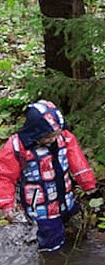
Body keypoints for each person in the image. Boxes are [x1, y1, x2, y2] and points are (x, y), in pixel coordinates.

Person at [0, 100, 96, 252]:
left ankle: (70, 244)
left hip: (65, 195)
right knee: (50, 240)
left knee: (71, 221)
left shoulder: (64, 137)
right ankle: (52, 263)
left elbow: (78, 160)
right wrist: (6, 203)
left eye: (56, 134)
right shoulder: (17, 147)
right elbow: (4, 176)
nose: (53, 139)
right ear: (34, 131)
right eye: (47, 137)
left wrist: (87, 182)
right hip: (39, 205)